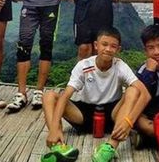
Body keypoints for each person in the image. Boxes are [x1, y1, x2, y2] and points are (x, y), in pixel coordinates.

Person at [41, 27, 150, 162]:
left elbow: (144, 94)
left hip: (112, 115)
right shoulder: (84, 66)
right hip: (83, 113)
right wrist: (53, 127)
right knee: (49, 95)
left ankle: (110, 146)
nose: (108, 49)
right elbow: (65, 96)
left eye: (113, 46)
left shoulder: (120, 66)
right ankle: (58, 147)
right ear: (96, 45)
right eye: (104, 44)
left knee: (133, 90)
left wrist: (128, 122)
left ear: (118, 49)